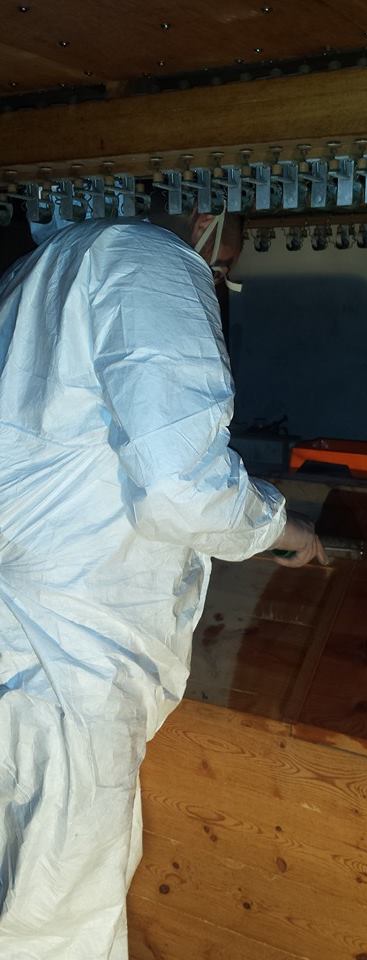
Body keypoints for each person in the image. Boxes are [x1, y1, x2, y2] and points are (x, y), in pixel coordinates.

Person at [0, 199, 326, 959]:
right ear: (209, 210)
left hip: (24, 632)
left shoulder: (35, 269)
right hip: (71, 655)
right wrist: (281, 527)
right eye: (225, 265)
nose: (220, 277)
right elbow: (184, 488)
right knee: (60, 918)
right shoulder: (151, 260)